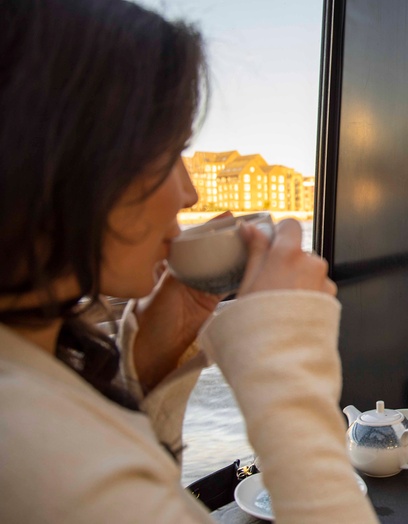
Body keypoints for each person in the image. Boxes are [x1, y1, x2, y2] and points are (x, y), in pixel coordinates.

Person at [0, 1, 378, 523]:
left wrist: (150, 374)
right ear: (60, 153)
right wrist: (286, 361)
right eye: (168, 150)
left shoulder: (33, 374)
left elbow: (136, 487)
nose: (190, 193)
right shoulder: (34, 448)